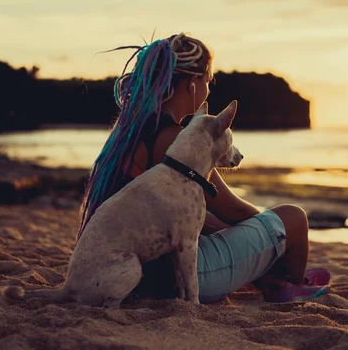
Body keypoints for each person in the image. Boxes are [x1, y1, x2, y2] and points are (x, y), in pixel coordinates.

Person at [77, 33, 331, 303]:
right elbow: (233, 209)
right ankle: (285, 285)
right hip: (175, 277)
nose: (209, 89)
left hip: (142, 272)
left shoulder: (133, 131)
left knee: (227, 226)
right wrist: (276, 236)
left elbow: (191, 217)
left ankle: (271, 278)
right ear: (191, 84)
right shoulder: (174, 139)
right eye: (208, 81)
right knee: (293, 218)